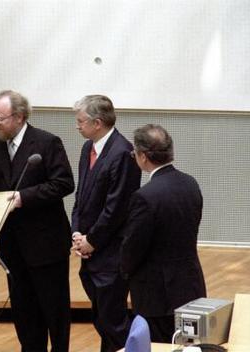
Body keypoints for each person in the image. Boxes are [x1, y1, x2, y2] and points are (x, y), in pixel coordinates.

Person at [0, 90, 75, 351]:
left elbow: (64, 183)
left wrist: (23, 197)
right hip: (12, 243)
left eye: (0, 118)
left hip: (46, 243)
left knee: (53, 308)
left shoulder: (46, 143)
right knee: (23, 307)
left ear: (19, 117)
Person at [120, 124, 206, 342]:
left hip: (156, 295)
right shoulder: (190, 183)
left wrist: (123, 270)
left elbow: (134, 247)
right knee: (188, 346)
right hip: (190, 286)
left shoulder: (144, 196)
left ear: (142, 156)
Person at [71, 95, 141, 352]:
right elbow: (81, 196)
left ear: (97, 122)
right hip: (89, 251)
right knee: (102, 319)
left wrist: (91, 241)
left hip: (111, 254)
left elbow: (116, 209)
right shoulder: (87, 148)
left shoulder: (123, 153)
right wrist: (77, 233)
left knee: (114, 323)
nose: (77, 126)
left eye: (80, 121)